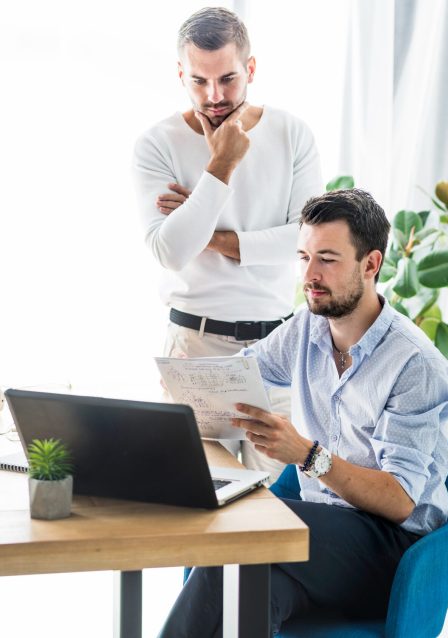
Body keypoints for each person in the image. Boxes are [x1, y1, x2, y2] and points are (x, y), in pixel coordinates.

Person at [157, 188, 448, 637]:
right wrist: (190, 381)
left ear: (371, 264)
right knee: (250, 592)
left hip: (391, 552)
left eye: (327, 259)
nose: (310, 275)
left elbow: (400, 500)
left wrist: (305, 453)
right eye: (303, 257)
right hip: (323, 535)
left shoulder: (414, 365)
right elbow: (243, 374)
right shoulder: (307, 327)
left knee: (241, 536)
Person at [132, 7, 322, 480]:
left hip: (275, 352)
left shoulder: (292, 134)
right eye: (198, 81)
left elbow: (304, 242)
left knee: (277, 513)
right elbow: (170, 251)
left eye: (228, 79)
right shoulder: (157, 143)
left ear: (251, 69)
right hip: (195, 349)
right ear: (181, 74)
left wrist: (204, 233)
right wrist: (222, 165)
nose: (214, 97)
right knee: (196, 511)